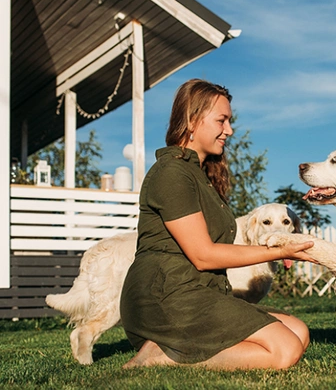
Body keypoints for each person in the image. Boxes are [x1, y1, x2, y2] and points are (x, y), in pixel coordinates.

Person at [120, 79, 316, 370]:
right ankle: (161, 356)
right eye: (221, 120)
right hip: (167, 298)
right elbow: (203, 255)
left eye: (229, 121)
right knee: (284, 350)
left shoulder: (200, 175)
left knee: (299, 332)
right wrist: (280, 250)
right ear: (191, 120)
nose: (230, 130)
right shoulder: (172, 173)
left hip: (200, 292)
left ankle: (185, 349)